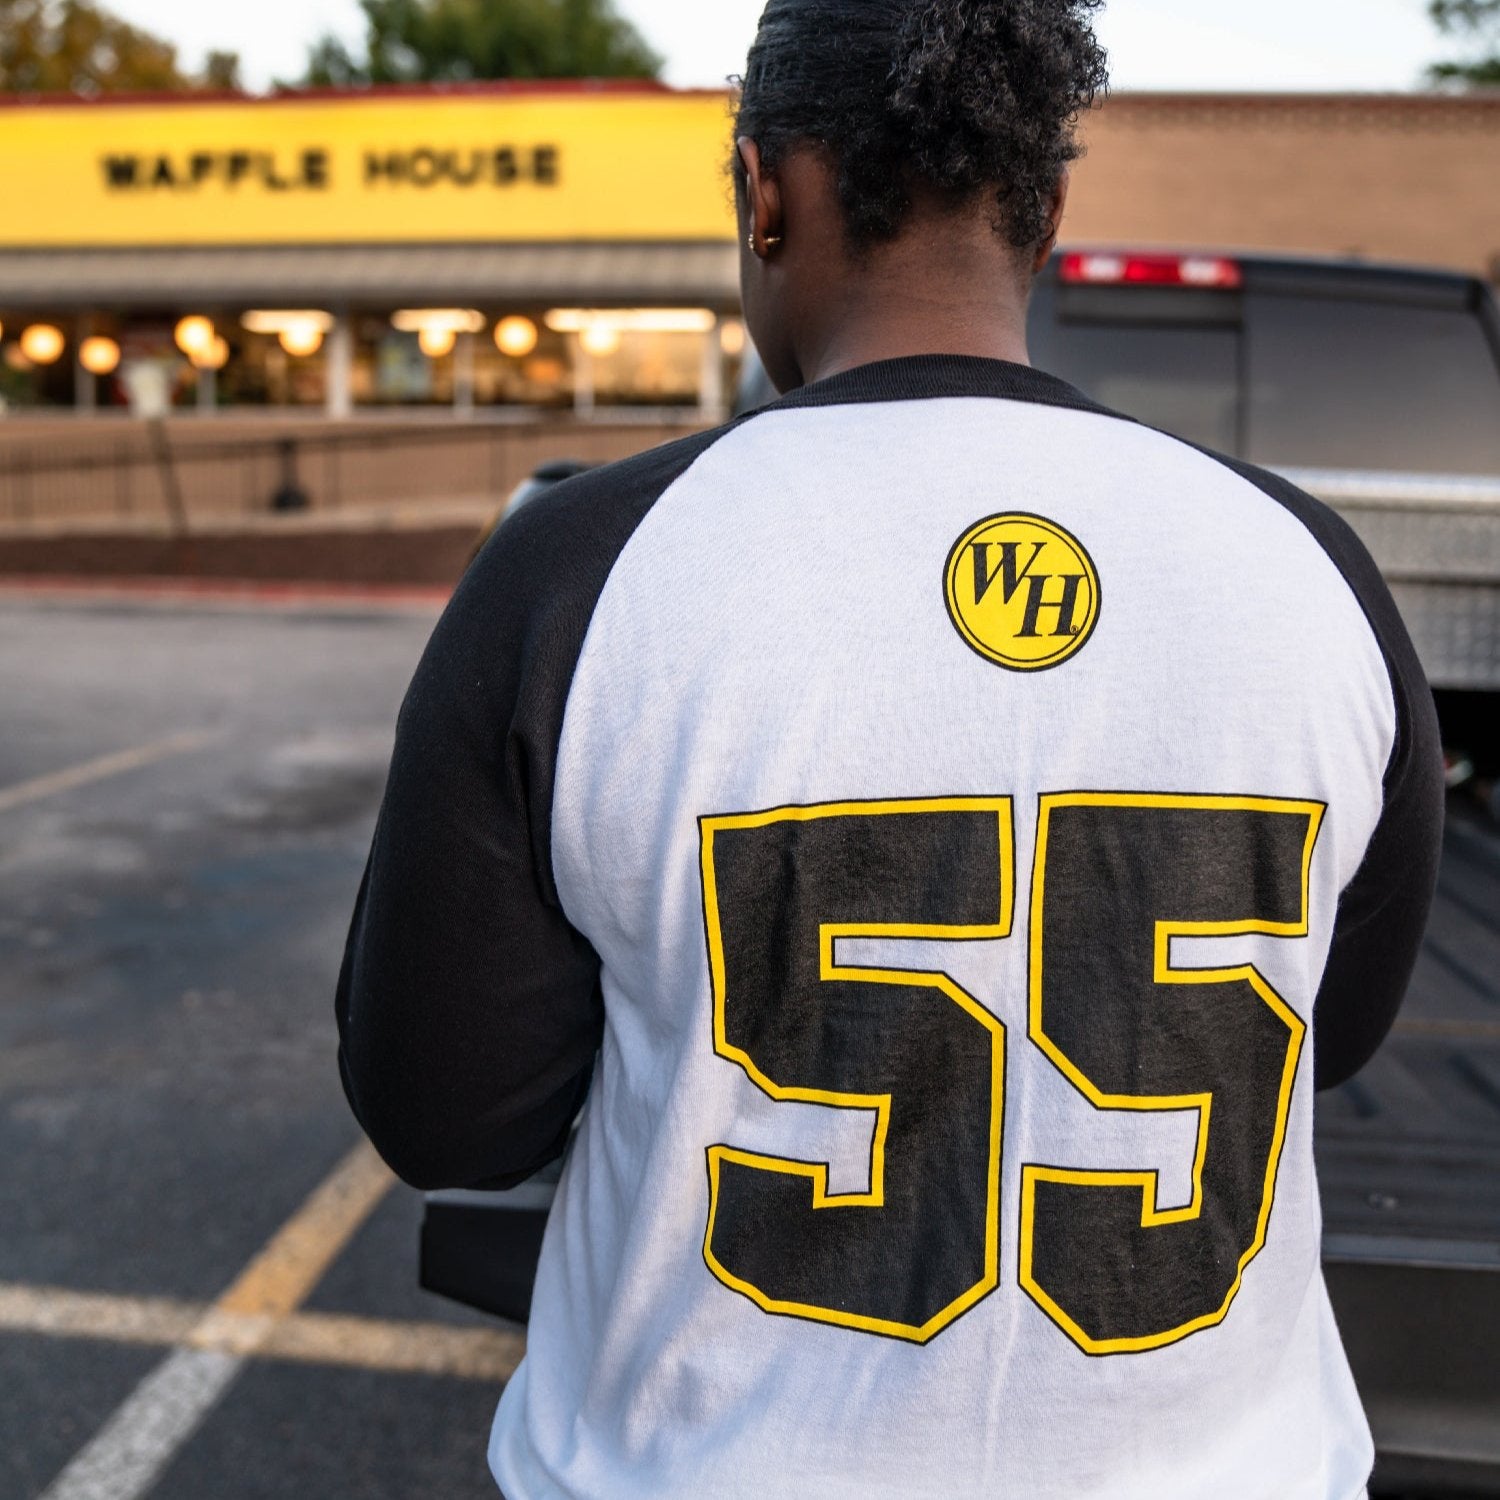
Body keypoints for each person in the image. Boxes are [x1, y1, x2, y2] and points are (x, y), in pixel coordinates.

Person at [335, 1, 1445, 1494]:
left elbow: (445, 1111)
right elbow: (1326, 1036)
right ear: (1047, 208)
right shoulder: (1309, 567)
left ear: (762, 194)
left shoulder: (584, 572)